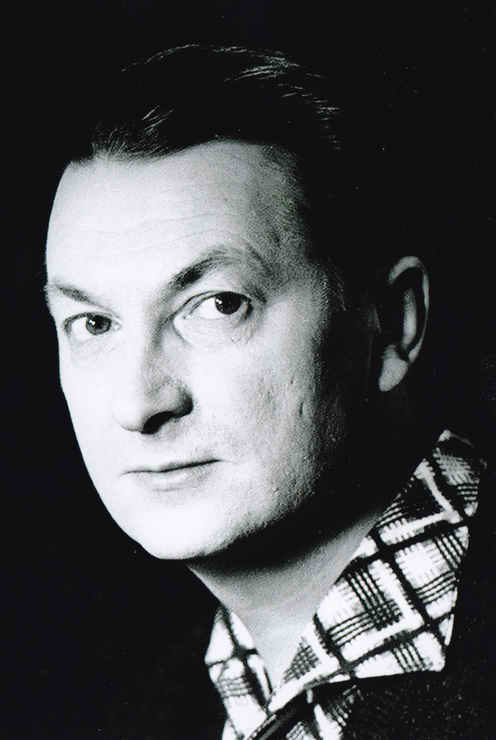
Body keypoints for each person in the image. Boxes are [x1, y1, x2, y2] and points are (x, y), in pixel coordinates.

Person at [44, 45, 489, 739]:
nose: (139, 406)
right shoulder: (133, 705)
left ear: (392, 325)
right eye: (93, 323)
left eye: (219, 305)